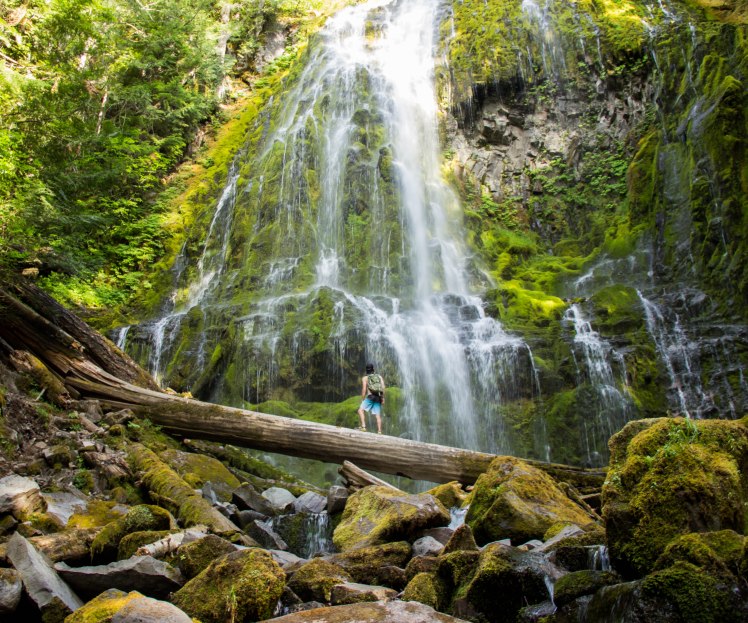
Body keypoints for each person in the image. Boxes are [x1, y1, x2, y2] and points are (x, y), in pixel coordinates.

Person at [357, 363, 385, 434]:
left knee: (360, 410)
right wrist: (382, 398)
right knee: (377, 415)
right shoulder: (379, 377)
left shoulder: (365, 378)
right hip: (378, 397)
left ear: (366, 370)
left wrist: (362, 398)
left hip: (370, 397)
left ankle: (363, 427)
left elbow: (364, 389)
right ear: (373, 369)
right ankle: (379, 431)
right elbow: (383, 387)